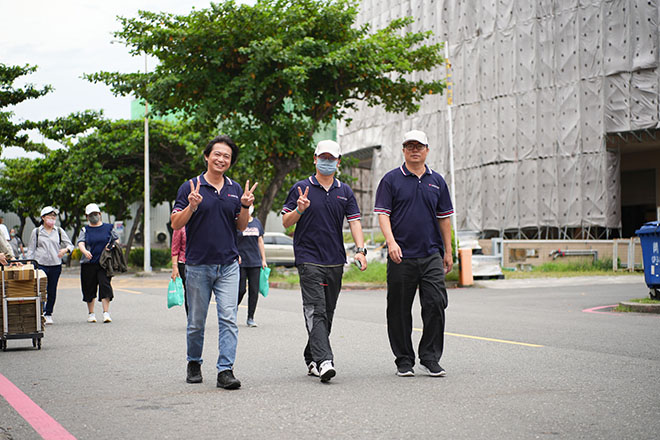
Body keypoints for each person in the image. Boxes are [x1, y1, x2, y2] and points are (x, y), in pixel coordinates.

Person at [171, 134, 257, 390]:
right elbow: (176, 224)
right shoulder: (190, 186)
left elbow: (241, 226)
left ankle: (225, 370)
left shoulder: (235, 188)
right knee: (196, 321)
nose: (221, 159)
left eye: (227, 156)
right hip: (198, 265)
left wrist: (243, 206)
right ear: (207, 156)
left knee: (229, 318)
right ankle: (194, 362)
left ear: (230, 162)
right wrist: (191, 207)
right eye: (217, 154)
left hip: (229, 264)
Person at [281, 139, 368, 383]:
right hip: (309, 259)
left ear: (338, 162)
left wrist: (360, 250)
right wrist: (299, 210)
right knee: (315, 309)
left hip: (335, 260)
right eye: (323, 157)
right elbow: (286, 222)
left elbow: (354, 221)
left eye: (331, 158)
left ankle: (311, 355)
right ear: (315, 159)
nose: (327, 162)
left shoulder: (345, 191)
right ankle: (324, 360)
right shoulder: (301, 188)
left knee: (327, 311)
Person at [374, 129, 454, 378]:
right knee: (398, 309)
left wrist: (448, 250)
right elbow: (383, 214)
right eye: (409, 146)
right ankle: (404, 360)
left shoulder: (437, 181)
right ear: (403, 150)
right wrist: (391, 242)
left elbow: (444, 218)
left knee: (435, 304)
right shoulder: (391, 180)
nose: (414, 150)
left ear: (427, 150)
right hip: (401, 255)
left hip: (431, 253)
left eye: (419, 146)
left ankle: (430, 357)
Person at [26, 207, 75, 325]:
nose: (52, 219)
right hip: (40, 264)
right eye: (49, 216)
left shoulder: (58, 231)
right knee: (41, 289)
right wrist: (29, 263)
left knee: (52, 290)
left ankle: (48, 313)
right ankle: (40, 312)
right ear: (43, 218)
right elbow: (31, 249)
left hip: (55, 264)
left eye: (54, 217)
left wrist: (65, 250)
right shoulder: (37, 232)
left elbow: (70, 245)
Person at [77, 203, 118, 324]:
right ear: (87, 216)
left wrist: (112, 246)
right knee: (89, 288)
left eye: (95, 214)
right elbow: (80, 242)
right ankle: (91, 313)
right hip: (88, 263)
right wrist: (84, 251)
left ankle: (106, 313)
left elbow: (116, 240)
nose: (94, 216)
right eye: (91, 215)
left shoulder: (109, 228)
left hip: (104, 263)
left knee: (105, 286)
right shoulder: (85, 229)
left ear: (100, 214)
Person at [237, 205, 267, 328]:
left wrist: (263, 259)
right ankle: (232, 311)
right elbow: (232, 240)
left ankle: (250, 317)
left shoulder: (257, 222)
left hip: (255, 261)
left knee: (254, 291)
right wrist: (236, 254)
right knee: (241, 289)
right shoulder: (237, 222)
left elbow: (260, 241)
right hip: (241, 262)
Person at [171, 226, 188, 315]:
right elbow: (175, 247)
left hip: (200, 262)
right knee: (189, 290)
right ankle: (191, 318)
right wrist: (174, 267)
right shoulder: (180, 224)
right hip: (184, 263)